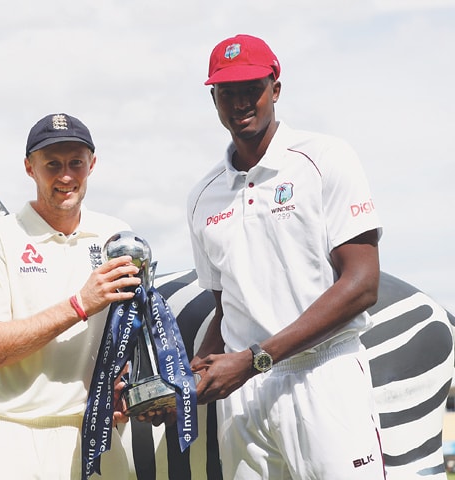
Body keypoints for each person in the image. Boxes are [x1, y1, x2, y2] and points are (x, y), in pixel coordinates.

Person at [187, 34, 386, 479]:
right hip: (244, 395)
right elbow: (228, 307)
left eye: (250, 88)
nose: (239, 102)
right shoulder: (202, 197)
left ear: (275, 89)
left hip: (324, 375)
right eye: (227, 91)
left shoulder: (325, 158)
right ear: (213, 98)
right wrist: (193, 374)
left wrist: (256, 357)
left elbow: (362, 284)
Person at [0, 113, 139, 479]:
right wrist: (79, 305)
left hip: (95, 434)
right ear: (29, 168)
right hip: (12, 434)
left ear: (92, 164)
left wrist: (125, 385)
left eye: (76, 162)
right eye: (52, 164)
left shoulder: (117, 236)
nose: (66, 176)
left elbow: (129, 337)